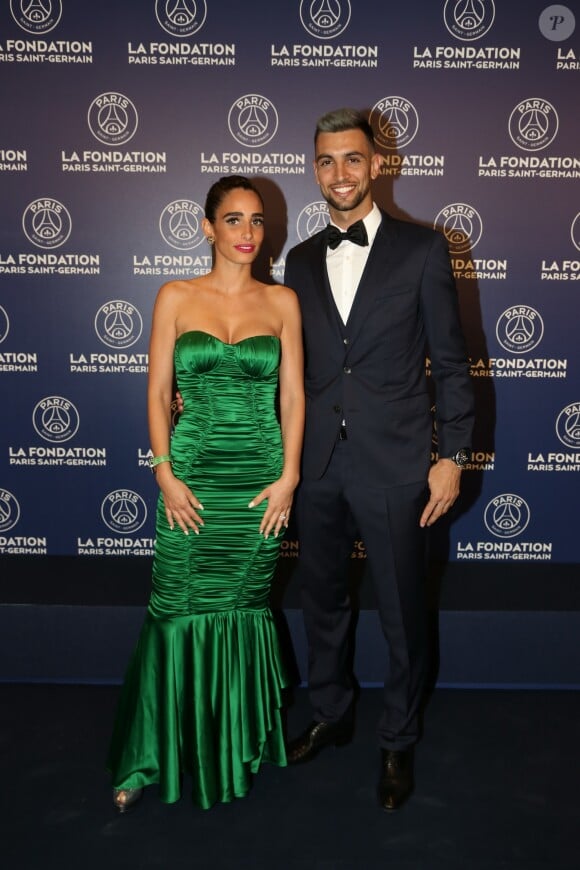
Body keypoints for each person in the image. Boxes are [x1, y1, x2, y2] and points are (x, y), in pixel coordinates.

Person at [283, 108, 474, 811]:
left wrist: (452, 454)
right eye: (327, 161)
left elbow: (452, 365)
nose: (340, 174)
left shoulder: (424, 250)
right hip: (318, 467)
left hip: (397, 463)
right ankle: (332, 713)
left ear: (377, 164)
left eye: (352, 159)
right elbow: (290, 366)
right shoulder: (298, 260)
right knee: (321, 601)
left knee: (401, 610)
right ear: (316, 169)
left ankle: (397, 737)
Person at [107, 175, 304, 812]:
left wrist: (289, 476)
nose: (247, 234)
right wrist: (164, 471)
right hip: (189, 477)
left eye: (256, 222)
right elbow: (157, 390)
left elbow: (294, 397)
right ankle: (147, 757)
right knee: (173, 607)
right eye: (234, 220)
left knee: (245, 606)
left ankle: (232, 740)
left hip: (257, 483)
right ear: (207, 227)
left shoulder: (283, 303)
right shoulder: (174, 296)